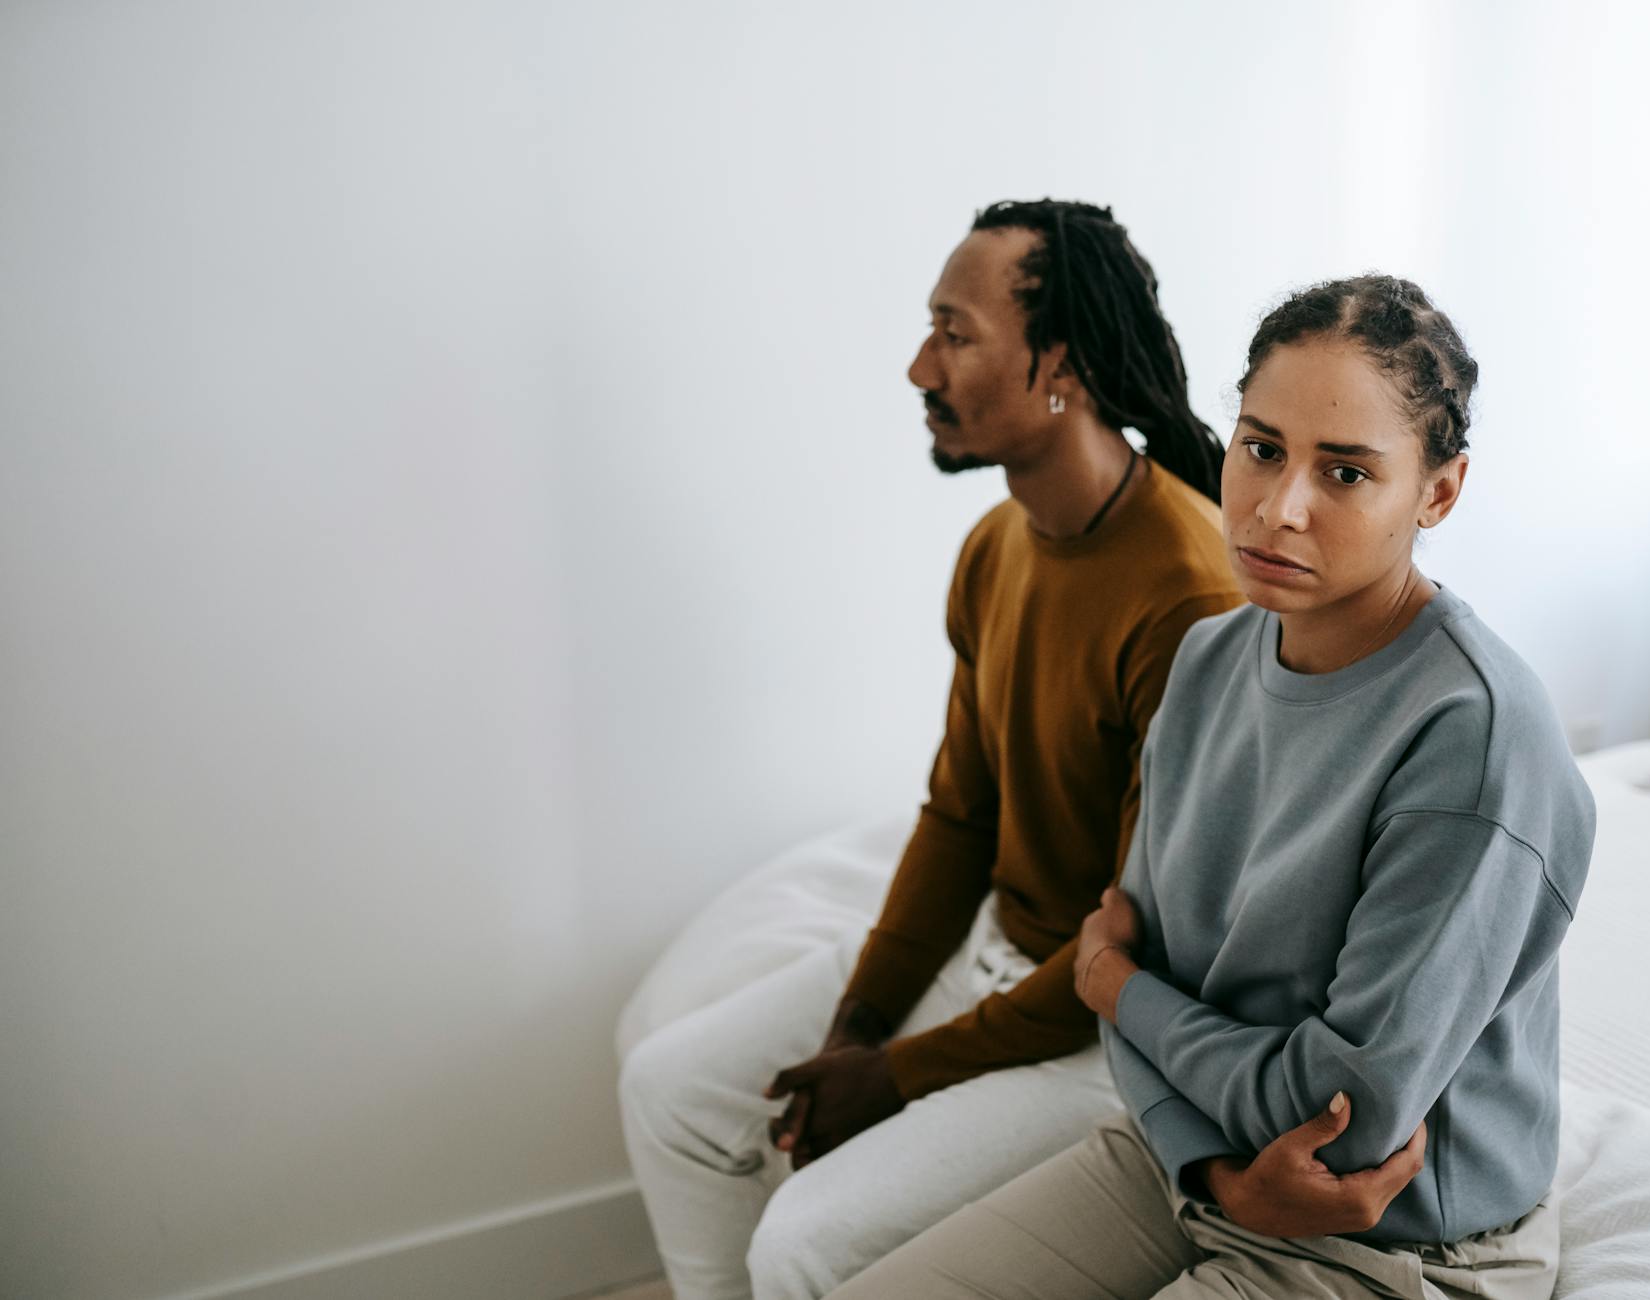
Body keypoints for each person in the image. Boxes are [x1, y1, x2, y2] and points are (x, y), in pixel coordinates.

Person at [827, 274, 1598, 1300]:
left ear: (1438, 492)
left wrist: (1119, 991)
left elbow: (1345, 1110)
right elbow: (1135, 952)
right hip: (1191, 1163)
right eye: (1263, 447)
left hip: (1396, 1240)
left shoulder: (1475, 739)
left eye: (1347, 473)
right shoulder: (1207, 663)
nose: (1279, 509)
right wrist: (1212, 1163)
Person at [618, 199, 1245, 1300]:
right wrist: (860, 1019)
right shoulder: (998, 544)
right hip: (999, 954)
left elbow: (1145, 943)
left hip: (1103, 1029)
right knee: (671, 1090)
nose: (920, 366)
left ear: (1061, 365)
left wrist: (895, 1073)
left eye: (955, 334)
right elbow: (960, 815)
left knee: (803, 1240)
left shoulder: (1188, 596)